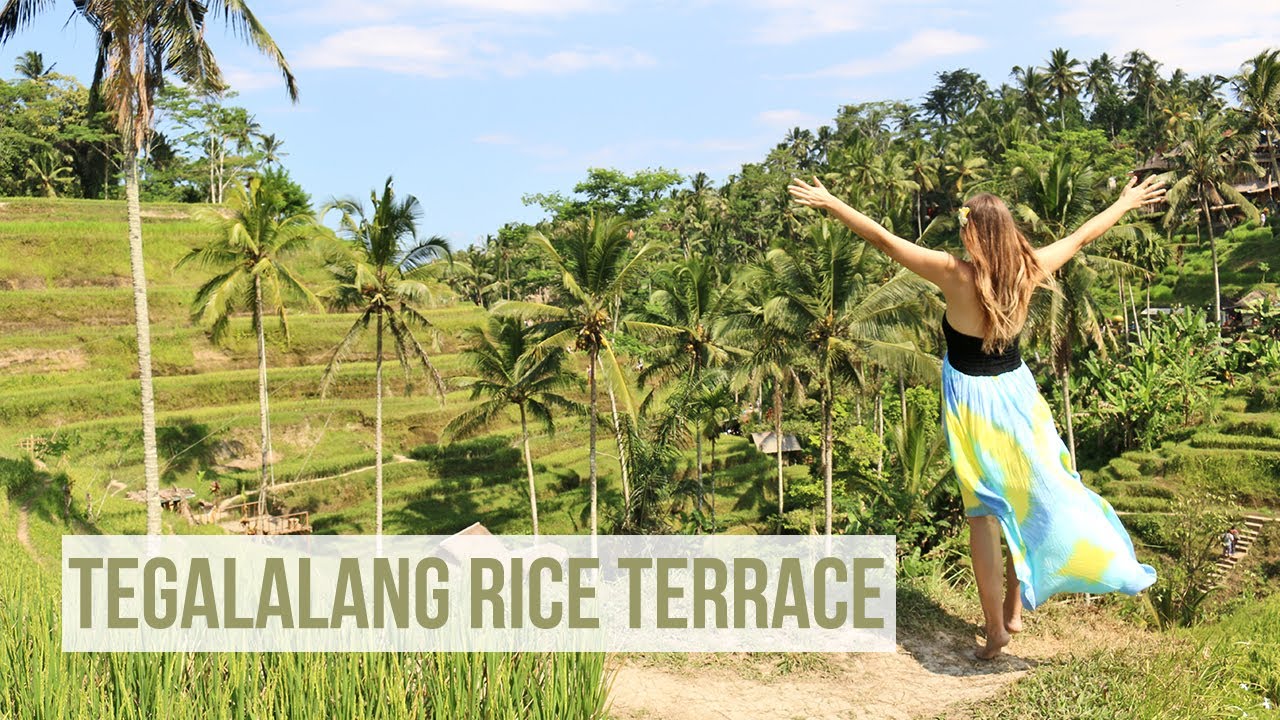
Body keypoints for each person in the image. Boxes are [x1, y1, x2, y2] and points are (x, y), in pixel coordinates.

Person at [788, 174, 1163, 660]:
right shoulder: (1030, 269)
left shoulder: (953, 273)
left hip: (974, 403)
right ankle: (1013, 611)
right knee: (1024, 500)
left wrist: (831, 202)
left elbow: (883, 239)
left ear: (973, 234)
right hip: (1020, 395)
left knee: (983, 514)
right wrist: (1125, 203)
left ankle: (996, 629)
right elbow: (1082, 236)